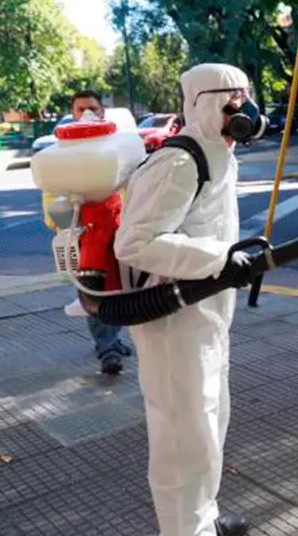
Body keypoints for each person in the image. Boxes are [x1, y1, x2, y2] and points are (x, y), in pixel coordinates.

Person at [113, 63, 256, 536]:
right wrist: (220, 259)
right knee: (182, 437)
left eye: (245, 96)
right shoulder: (179, 161)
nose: (242, 109)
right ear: (201, 103)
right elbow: (133, 244)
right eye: (229, 99)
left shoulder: (221, 154)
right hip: (172, 322)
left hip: (207, 316)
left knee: (211, 424)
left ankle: (203, 519)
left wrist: (226, 261)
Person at [44, 90, 134, 375]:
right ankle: (106, 347)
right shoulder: (63, 148)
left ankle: (113, 338)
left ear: (102, 111)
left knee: (118, 287)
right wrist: (56, 221)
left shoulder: (114, 144)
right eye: (80, 109)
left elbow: (130, 181)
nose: (87, 114)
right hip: (83, 228)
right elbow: (51, 188)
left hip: (118, 226)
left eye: (92, 108)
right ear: (72, 113)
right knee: (92, 288)